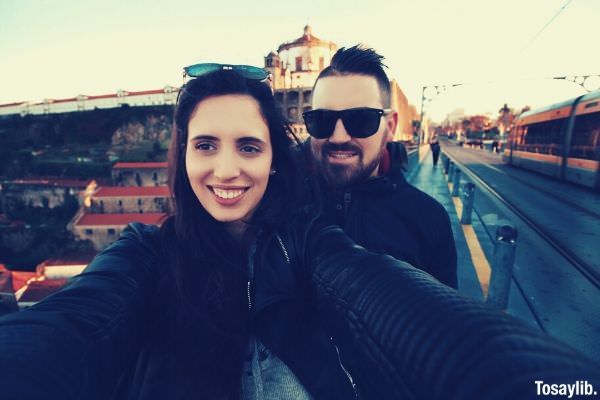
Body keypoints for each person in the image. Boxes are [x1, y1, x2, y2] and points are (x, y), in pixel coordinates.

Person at [0, 65, 598, 400]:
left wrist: (543, 382)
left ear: (272, 161)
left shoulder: (308, 239)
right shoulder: (144, 250)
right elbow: (76, 323)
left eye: (249, 147)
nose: (227, 169)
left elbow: (395, 299)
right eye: (205, 145)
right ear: (180, 158)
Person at [302, 45, 457, 288]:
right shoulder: (279, 201)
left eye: (361, 120)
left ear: (391, 126)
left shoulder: (429, 220)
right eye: (323, 120)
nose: (339, 136)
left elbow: (446, 321)